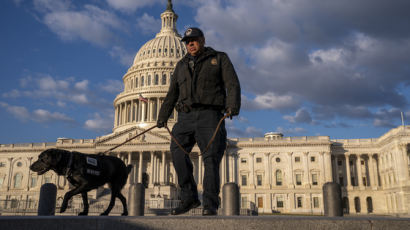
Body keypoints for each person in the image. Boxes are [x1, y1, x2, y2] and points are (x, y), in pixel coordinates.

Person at [157, 27, 241, 216]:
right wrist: (162, 116)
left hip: (210, 115)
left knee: (211, 159)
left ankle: (210, 203)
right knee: (177, 152)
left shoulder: (219, 58)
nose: (190, 44)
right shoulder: (180, 65)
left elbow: (232, 83)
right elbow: (172, 94)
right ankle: (189, 198)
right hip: (185, 117)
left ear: (202, 40)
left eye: (194, 40)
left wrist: (232, 106)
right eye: (187, 42)